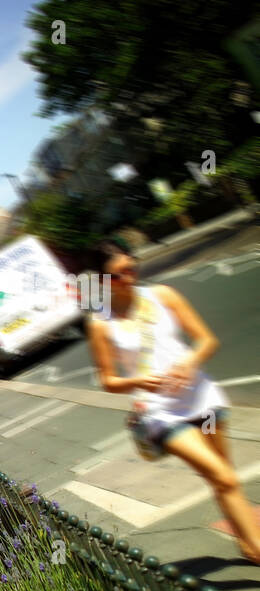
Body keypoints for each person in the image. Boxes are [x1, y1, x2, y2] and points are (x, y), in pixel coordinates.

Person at [86, 240, 260, 566]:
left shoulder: (163, 296)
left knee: (223, 476)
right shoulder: (101, 324)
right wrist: (137, 381)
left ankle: (248, 547)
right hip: (161, 414)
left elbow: (207, 340)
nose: (130, 276)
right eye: (119, 274)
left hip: (203, 401)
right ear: (103, 281)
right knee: (222, 475)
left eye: (131, 267)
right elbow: (107, 379)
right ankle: (256, 547)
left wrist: (189, 362)